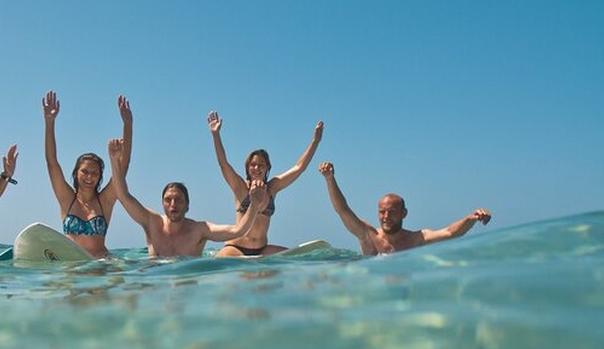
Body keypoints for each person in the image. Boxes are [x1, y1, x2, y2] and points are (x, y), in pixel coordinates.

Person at [107, 138, 268, 257]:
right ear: (162, 204)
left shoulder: (199, 230)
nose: (173, 204)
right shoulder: (152, 222)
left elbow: (238, 230)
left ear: (187, 206)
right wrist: (114, 161)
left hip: (187, 288)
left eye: (178, 200)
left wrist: (254, 204)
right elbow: (122, 195)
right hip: (156, 284)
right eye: (168, 200)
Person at [207, 110, 324, 257]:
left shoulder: (272, 188)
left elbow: (299, 168)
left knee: (299, 260)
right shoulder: (240, 187)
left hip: (262, 249)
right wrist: (216, 135)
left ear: (267, 168)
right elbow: (223, 164)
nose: (257, 168)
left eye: (261, 165)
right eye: (253, 165)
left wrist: (315, 142)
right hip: (236, 249)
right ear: (247, 167)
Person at [318, 161, 492, 255]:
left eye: (392, 212)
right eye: (382, 212)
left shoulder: (417, 239)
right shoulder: (368, 236)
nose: (386, 216)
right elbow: (342, 210)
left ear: (404, 213)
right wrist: (329, 179)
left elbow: (449, 233)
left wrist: (471, 218)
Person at [43, 90, 132, 258]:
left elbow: (124, 166)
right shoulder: (66, 199)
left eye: (94, 173)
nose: (89, 177)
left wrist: (128, 125)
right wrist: (49, 122)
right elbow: (52, 163)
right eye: (84, 172)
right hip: (72, 265)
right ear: (76, 173)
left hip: (100, 265)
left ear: (100, 177)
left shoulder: (104, 201)